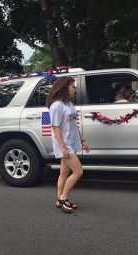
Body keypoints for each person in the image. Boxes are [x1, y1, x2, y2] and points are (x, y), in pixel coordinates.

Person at [46, 76, 91, 213]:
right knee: (78, 171)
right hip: (64, 144)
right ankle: (63, 198)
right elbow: (56, 128)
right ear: (65, 88)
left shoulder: (69, 105)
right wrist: (63, 147)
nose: (75, 90)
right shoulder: (56, 106)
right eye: (73, 87)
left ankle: (59, 199)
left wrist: (82, 140)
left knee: (64, 172)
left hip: (71, 142)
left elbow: (73, 125)